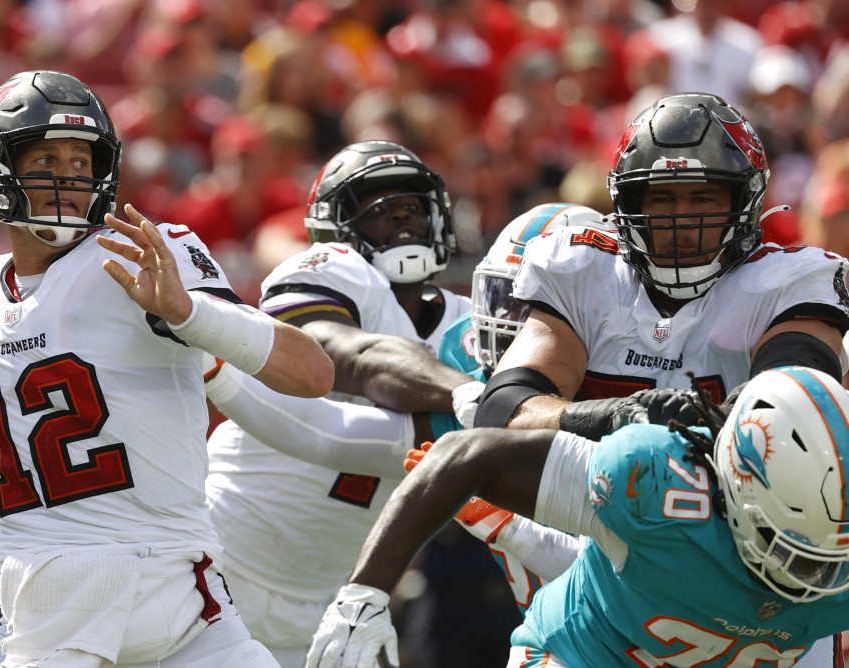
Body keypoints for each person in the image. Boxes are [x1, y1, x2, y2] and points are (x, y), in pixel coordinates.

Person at [0, 69, 333, 668]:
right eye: (46, 157)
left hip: (187, 595)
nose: (67, 178)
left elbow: (311, 375)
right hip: (55, 595)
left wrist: (192, 314)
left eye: (82, 162)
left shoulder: (144, 256)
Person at [471, 91, 849, 667]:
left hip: (753, 556)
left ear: (744, 203)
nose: (683, 221)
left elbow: (790, 400)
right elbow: (506, 410)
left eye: (704, 197)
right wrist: (609, 416)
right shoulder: (583, 267)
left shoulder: (790, 282)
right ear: (626, 202)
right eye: (664, 199)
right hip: (611, 544)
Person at [306, 365, 849, 668]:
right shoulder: (655, 479)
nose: (812, 577)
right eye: (790, 548)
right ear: (732, 486)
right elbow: (466, 452)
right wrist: (365, 594)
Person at [203, 139, 476, 666]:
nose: (401, 220)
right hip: (223, 570)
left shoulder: (468, 323)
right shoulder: (332, 270)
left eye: (412, 207)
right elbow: (347, 356)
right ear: (336, 226)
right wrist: (470, 396)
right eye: (377, 209)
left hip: (338, 597)